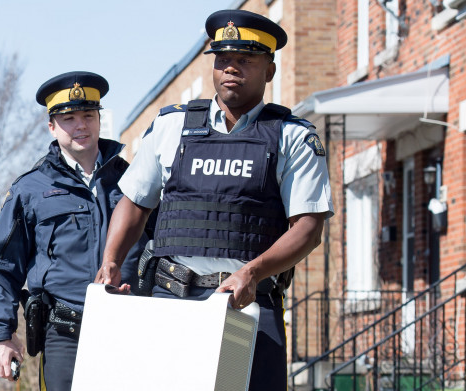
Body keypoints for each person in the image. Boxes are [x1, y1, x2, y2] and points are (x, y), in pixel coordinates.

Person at [93, 10, 333, 390]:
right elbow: (136, 202)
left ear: (269, 70)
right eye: (223, 60)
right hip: (172, 300)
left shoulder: (292, 138)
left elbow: (308, 227)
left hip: (248, 307)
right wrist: (111, 261)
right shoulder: (172, 126)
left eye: (245, 60)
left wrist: (252, 272)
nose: (231, 69)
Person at [0, 71, 148, 390]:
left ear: (99, 119)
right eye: (68, 118)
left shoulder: (135, 181)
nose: (80, 125)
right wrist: (1, 333)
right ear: (52, 126)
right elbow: (2, 267)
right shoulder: (30, 190)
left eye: (88, 115)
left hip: (130, 331)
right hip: (65, 336)